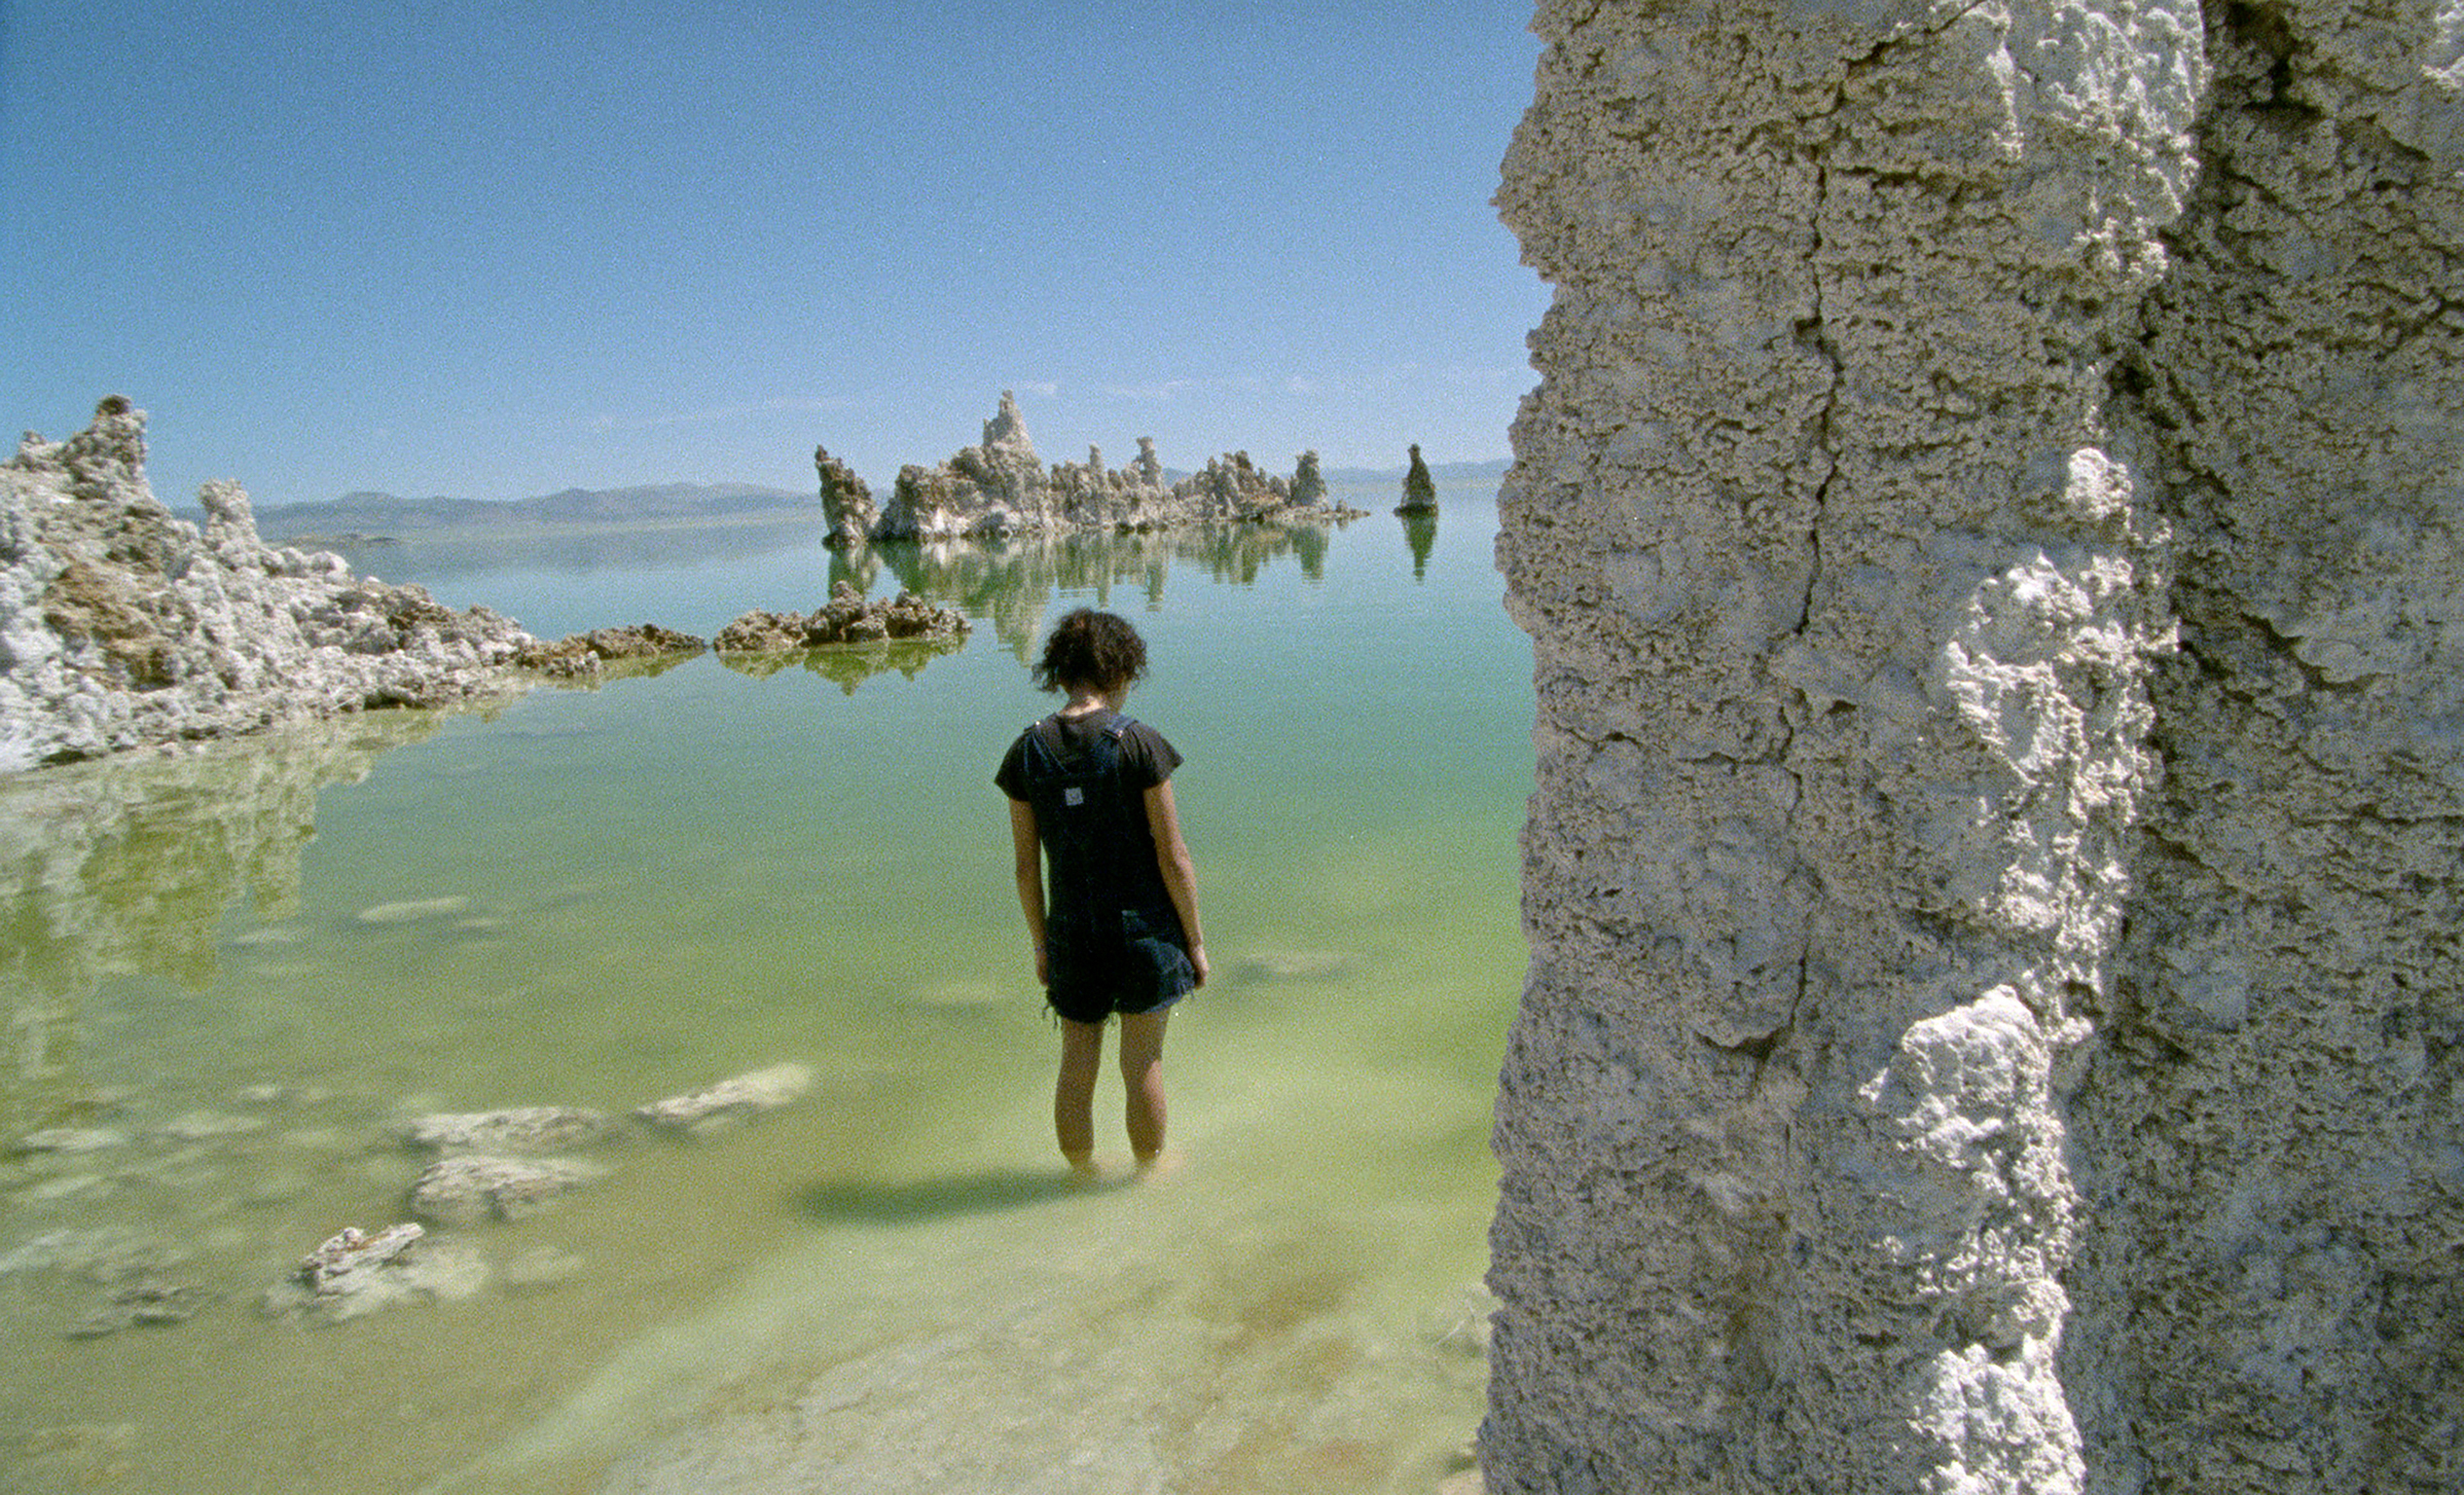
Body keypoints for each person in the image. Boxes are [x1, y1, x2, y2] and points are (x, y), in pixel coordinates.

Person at [995, 608, 1207, 1177]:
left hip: (1071, 934)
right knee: (1142, 1062)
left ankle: (1080, 1178)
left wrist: (1042, 945)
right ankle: (1148, 1175)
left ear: (1060, 672)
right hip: (1143, 933)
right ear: (1119, 668)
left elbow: (1024, 868)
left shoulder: (1026, 752)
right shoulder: (1138, 742)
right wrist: (1196, 941)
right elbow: (1175, 856)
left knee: (1076, 1062)